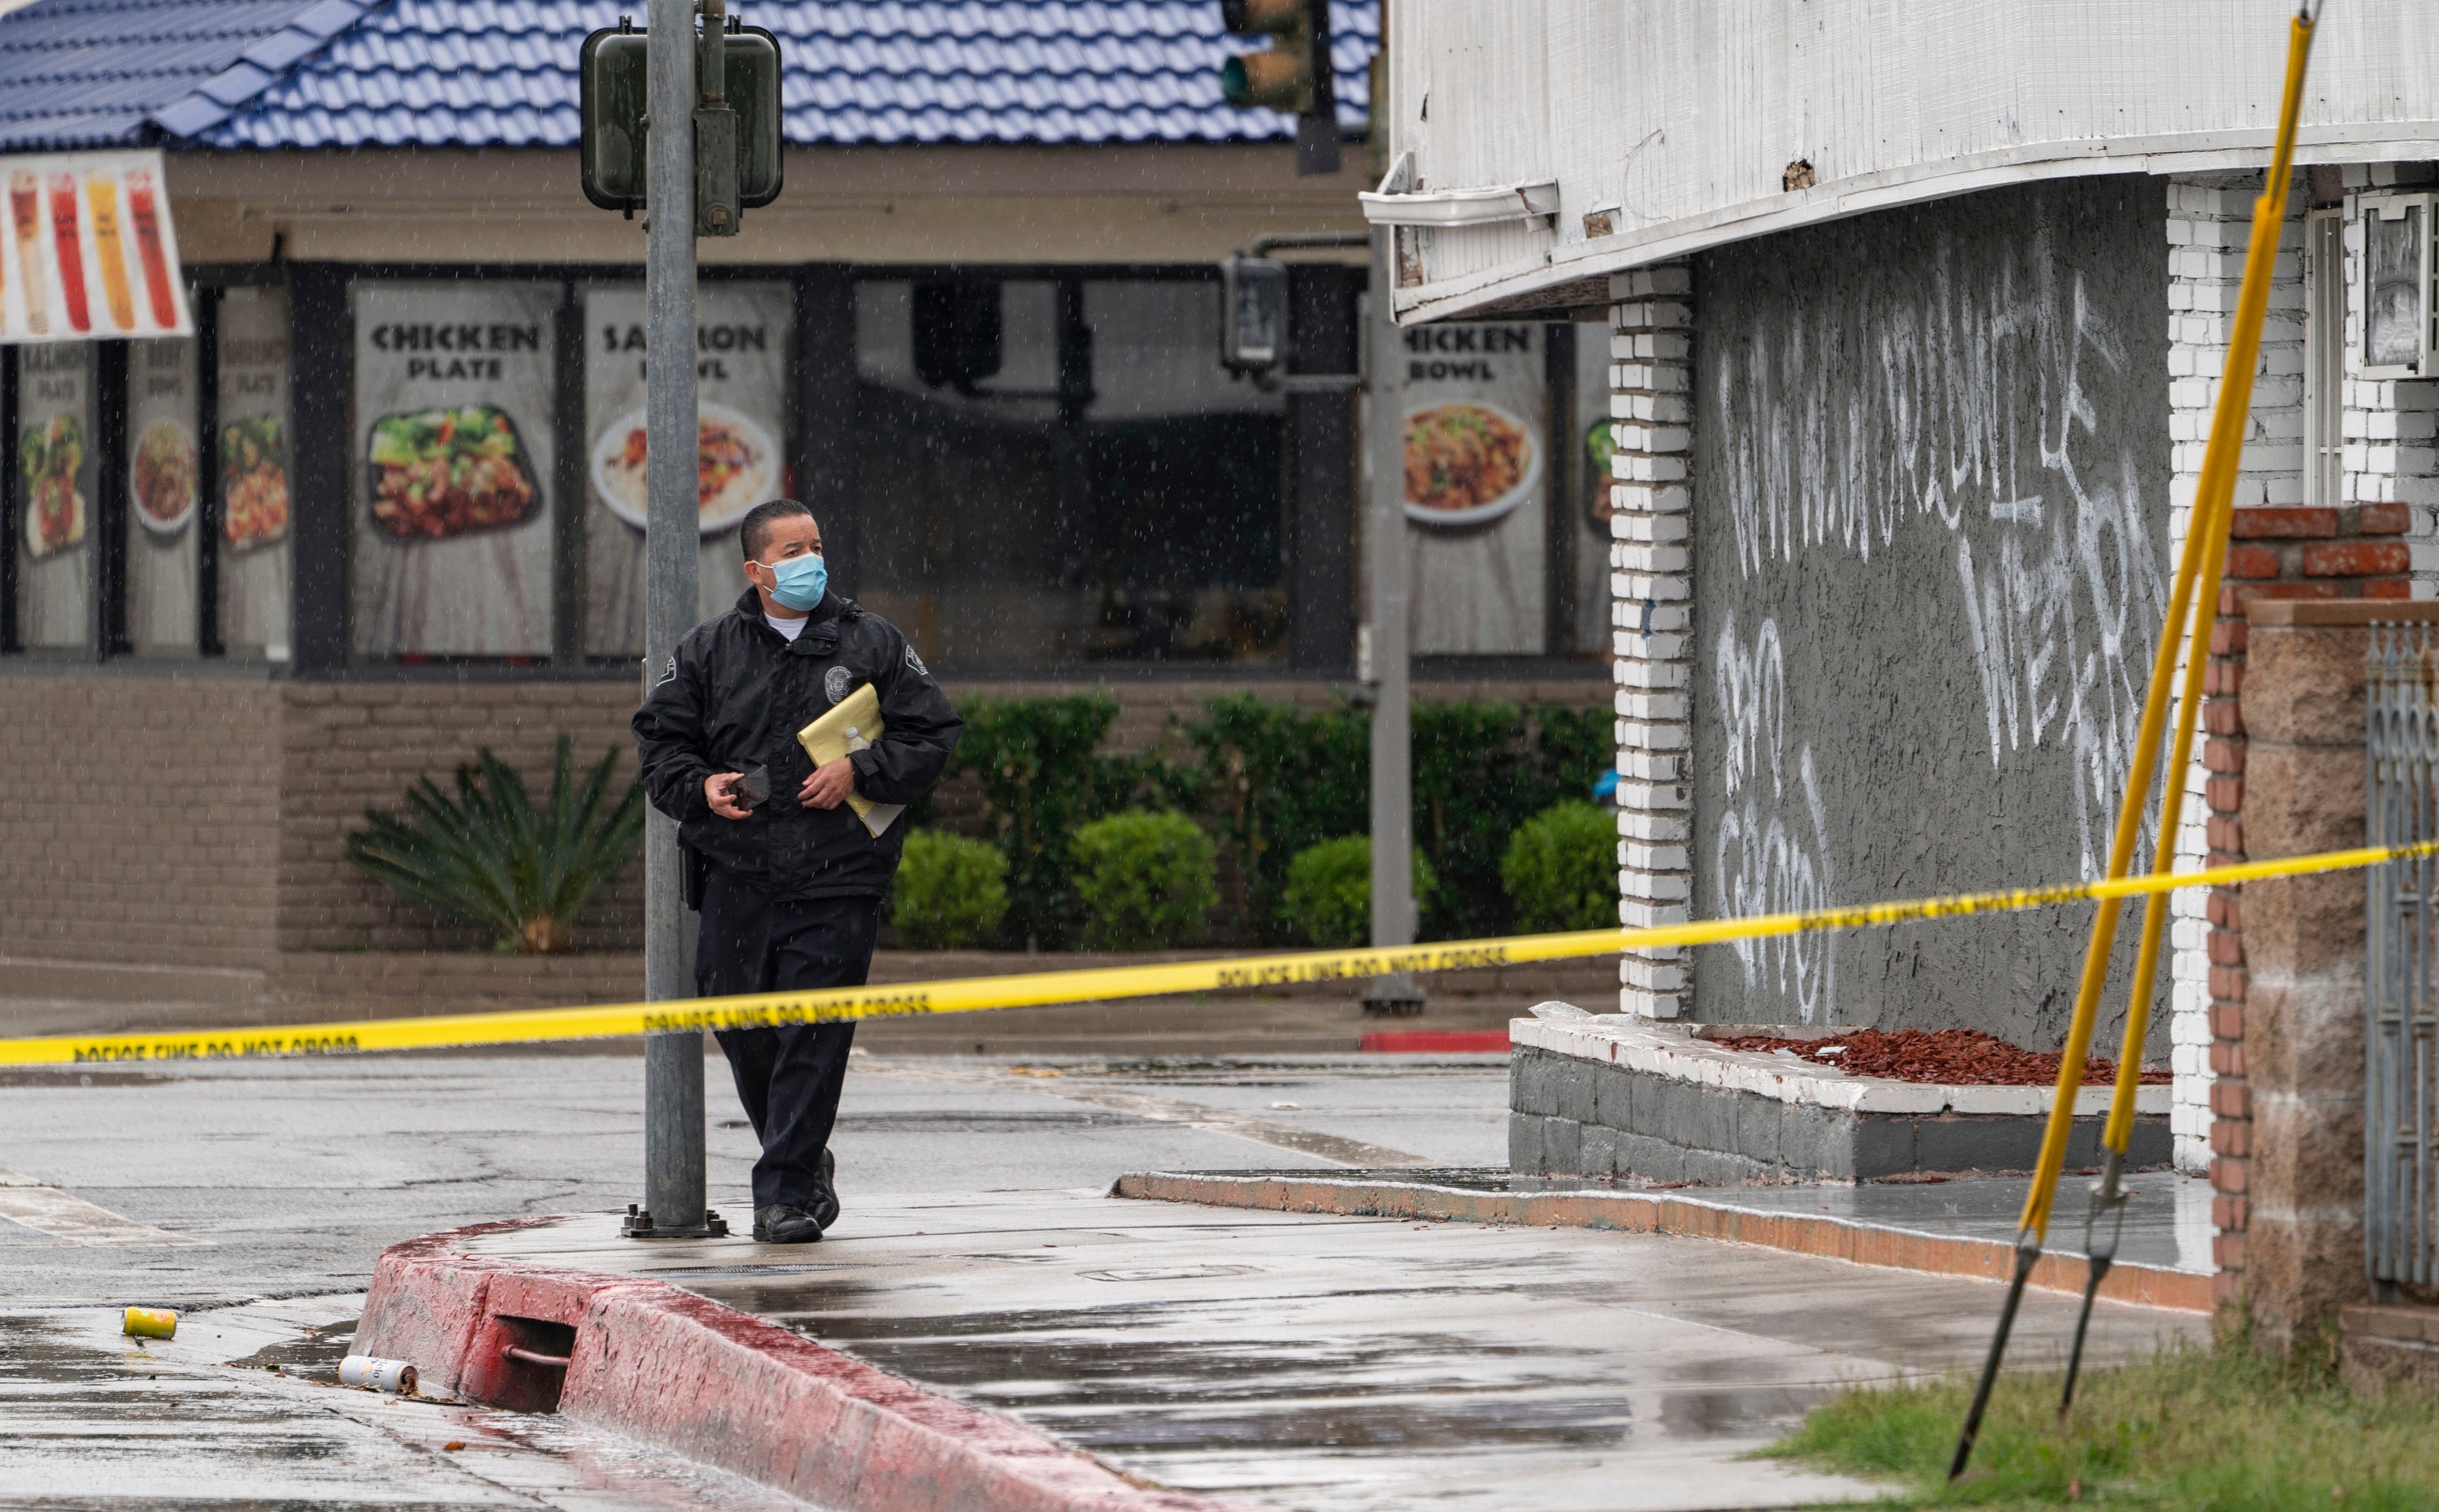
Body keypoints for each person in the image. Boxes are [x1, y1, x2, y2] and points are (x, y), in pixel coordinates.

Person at [633, 498, 961, 1244]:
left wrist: (861, 769)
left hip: (838, 876)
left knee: (814, 1029)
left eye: (815, 544)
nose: (809, 559)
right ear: (755, 569)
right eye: (790, 550)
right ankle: (804, 1161)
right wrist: (702, 786)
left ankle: (781, 1194)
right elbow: (661, 743)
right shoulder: (709, 649)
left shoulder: (871, 642)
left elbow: (932, 734)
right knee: (739, 1015)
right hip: (737, 874)